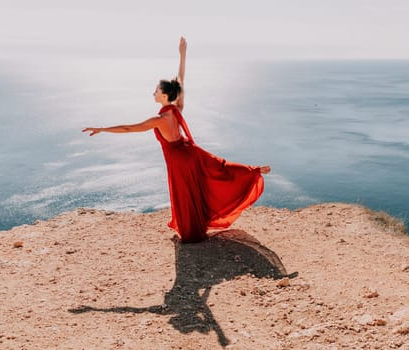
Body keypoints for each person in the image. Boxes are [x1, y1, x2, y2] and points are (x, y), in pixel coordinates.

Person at [82, 37, 270, 243]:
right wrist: (182, 54)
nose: (153, 92)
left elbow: (129, 128)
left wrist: (102, 129)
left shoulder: (160, 119)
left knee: (186, 193)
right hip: (191, 152)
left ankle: (191, 234)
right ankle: (253, 170)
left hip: (179, 160)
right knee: (219, 169)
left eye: (156, 90)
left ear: (164, 95)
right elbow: (180, 81)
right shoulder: (176, 109)